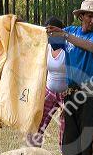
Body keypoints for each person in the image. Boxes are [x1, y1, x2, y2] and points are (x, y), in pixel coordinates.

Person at [46, 0, 93, 155]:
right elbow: (52, 42)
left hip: (90, 96)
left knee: (88, 143)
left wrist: (64, 35)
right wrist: (47, 31)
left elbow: (91, 47)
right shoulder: (71, 31)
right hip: (71, 94)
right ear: (81, 16)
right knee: (69, 142)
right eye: (89, 16)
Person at [27, 17, 67, 148]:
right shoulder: (46, 47)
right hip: (49, 90)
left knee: (66, 127)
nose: (50, 35)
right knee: (38, 122)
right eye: (47, 32)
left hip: (66, 94)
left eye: (53, 32)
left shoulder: (69, 48)